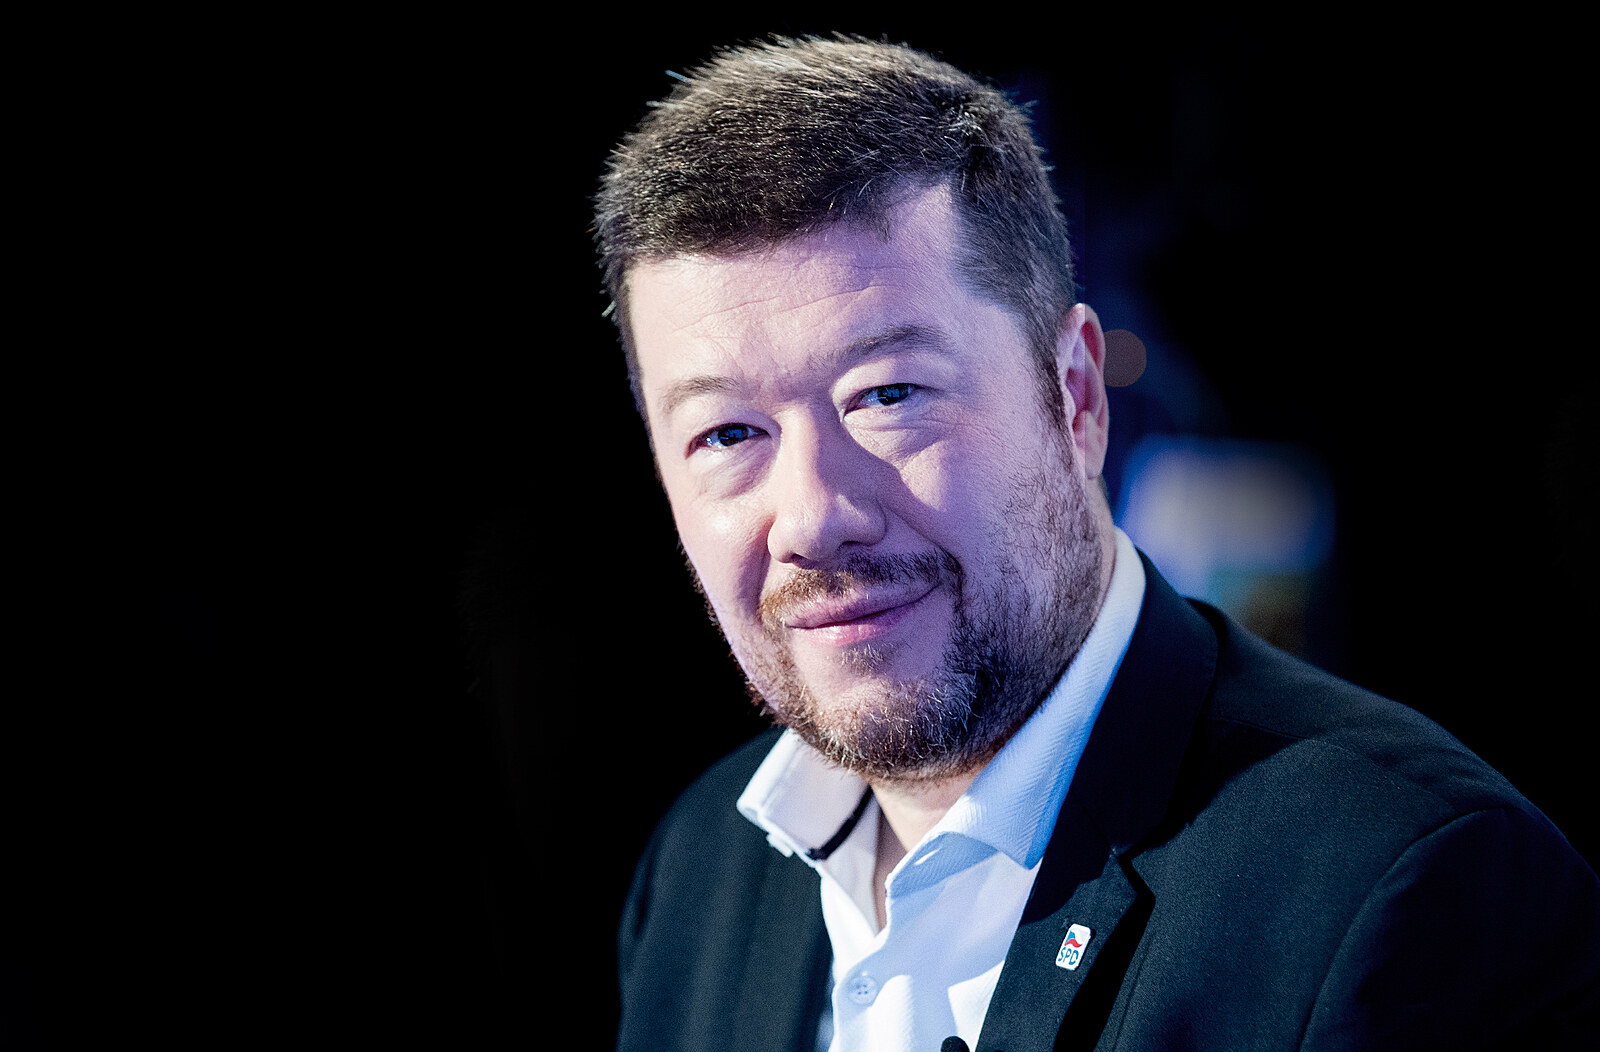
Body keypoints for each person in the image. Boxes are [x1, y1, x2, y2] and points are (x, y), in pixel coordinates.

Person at [593, 36, 1598, 1051]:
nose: (813, 517)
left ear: (1073, 397)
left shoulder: (1404, 888)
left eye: (888, 394)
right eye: (727, 434)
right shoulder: (695, 874)